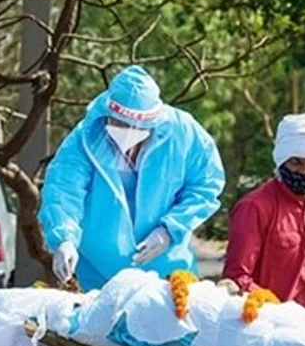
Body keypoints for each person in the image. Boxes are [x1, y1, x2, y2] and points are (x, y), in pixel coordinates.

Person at [38, 64, 225, 291]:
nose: (126, 131)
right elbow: (63, 190)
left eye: (135, 126)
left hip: (167, 268)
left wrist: (170, 229)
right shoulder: (86, 138)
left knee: (167, 322)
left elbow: (206, 184)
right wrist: (64, 238)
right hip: (100, 273)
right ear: (108, 114)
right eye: (118, 123)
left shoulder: (183, 133)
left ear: (153, 122)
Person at [221, 113, 305, 321]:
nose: (304, 172)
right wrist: (280, 313)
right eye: (296, 163)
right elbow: (237, 277)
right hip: (265, 325)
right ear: (282, 160)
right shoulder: (255, 207)